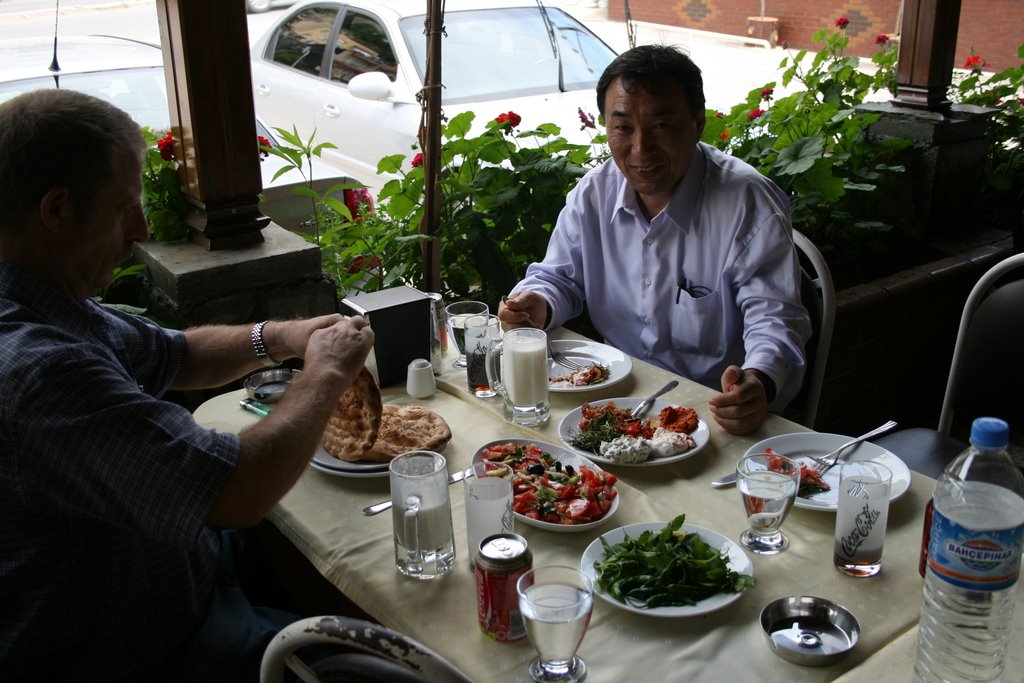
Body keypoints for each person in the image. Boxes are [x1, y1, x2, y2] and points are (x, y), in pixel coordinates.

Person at [0, 89, 375, 680]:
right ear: (57, 211)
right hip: (146, 648)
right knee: (369, 656)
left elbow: (176, 353)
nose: (143, 228)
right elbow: (240, 490)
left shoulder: (44, 297)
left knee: (341, 561)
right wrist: (326, 370)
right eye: (126, 207)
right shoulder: (38, 371)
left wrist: (284, 335)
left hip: (189, 571)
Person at [499, 45, 811, 435]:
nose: (641, 149)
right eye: (623, 127)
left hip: (711, 416)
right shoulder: (594, 194)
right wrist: (536, 303)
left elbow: (775, 320)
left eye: (661, 126)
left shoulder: (747, 206)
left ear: (697, 124)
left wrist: (758, 381)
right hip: (615, 402)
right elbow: (560, 277)